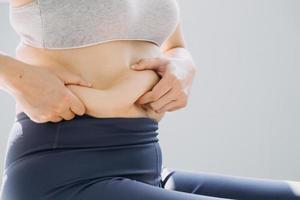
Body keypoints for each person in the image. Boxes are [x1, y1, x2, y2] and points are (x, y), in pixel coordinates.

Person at [0, 0, 299, 199]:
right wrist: (17, 77)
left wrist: (182, 64)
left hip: (145, 162)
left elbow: (175, 47)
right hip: (63, 172)